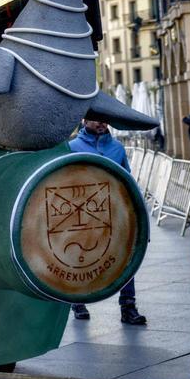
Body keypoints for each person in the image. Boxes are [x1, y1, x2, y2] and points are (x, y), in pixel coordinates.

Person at [67, 119, 147, 326]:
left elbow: (127, 180)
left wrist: (137, 216)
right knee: (79, 259)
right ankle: (78, 301)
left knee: (126, 257)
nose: (101, 123)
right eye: (96, 119)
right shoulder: (71, 147)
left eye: (104, 119)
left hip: (113, 213)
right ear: (85, 120)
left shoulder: (117, 148)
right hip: (81, 216)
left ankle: (128, 307)